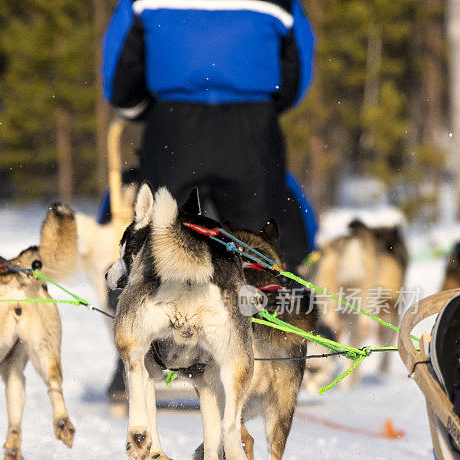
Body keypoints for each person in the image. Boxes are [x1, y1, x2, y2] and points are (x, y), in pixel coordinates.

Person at [102, 0, 315, 266]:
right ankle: (269, 292)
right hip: (251, 127)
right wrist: (266, 105)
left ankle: (152, 295)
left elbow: (120, 74)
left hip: (174, 126)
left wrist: (144, 108)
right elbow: (298, 69)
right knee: (260, 242)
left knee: (161, 239)